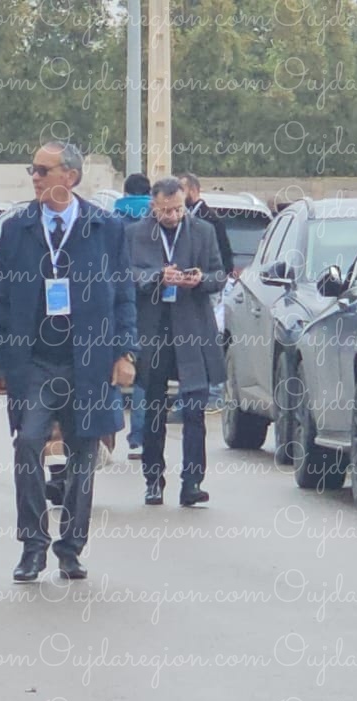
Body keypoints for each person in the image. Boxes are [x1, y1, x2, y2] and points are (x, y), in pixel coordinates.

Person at [0, 141, 137, 583]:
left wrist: (125, 352)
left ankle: (71, 547)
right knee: (28, 443)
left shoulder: (106, 228)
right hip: (35, 360)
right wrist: (0, 362)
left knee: (82, 454)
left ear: (70, 176)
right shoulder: (18, 229)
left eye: (43, 170)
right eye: (32, 170)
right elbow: (2, 298)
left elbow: (124, 295)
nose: (34, 177)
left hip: (87, 360)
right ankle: (33, 545)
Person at [130, 177, 225, 507]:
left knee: (195, 409)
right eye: (166, 210)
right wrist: (157, 276)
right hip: (154, 330)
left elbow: (219, 274)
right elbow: (126, 275)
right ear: (153, 206)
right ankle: (153, 480)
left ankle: (192, 482)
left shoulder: (203, 231)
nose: (172, 216)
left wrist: (200, 279)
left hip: (192, 329)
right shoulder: (136, 233)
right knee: (154, 408)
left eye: (178, 209)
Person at [177, 171, 233, 413]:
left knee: (208, 337)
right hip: (184, 287)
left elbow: (223, 259)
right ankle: (190, 394)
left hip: (206, 287)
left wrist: (205, 277)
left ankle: (212, 393)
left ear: (193, 190)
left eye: (182, 189)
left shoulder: (209, 220)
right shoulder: (181, 218)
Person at [115, 173, 152, 460]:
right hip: (150, 304)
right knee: (143, 374)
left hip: (117, 304)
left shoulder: (113, 220)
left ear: (125, 192)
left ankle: (108, 430)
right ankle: (138, 437)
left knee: (114, 365)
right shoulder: (155, 223)